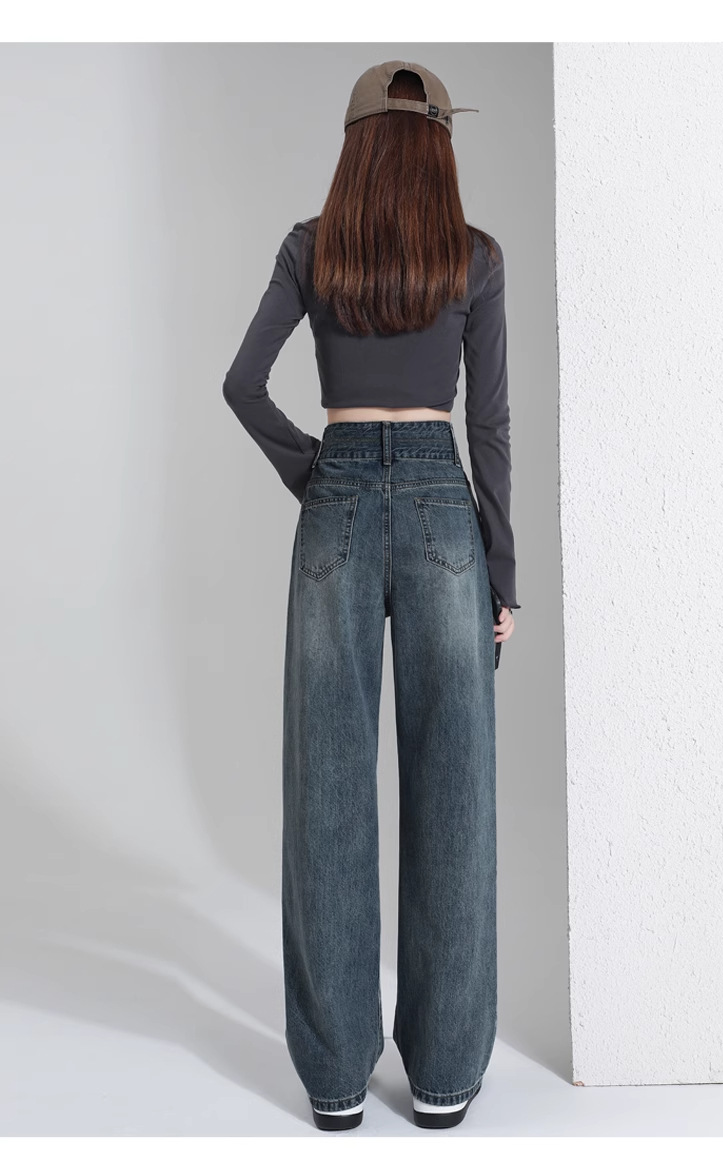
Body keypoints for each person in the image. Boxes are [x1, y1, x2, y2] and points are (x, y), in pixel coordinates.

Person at [222, 60, 519, 1132]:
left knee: (327, 790)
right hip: (445, 512)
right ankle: (442, 1078)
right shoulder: (473, 257)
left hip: (335, 508)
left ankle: (336, 1082)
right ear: (439, 145)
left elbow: (242, 384)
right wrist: (503, 575)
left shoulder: (313, 248)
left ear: (354, 146)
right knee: (456, 792)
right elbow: (488, 428)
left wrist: (317, 470)